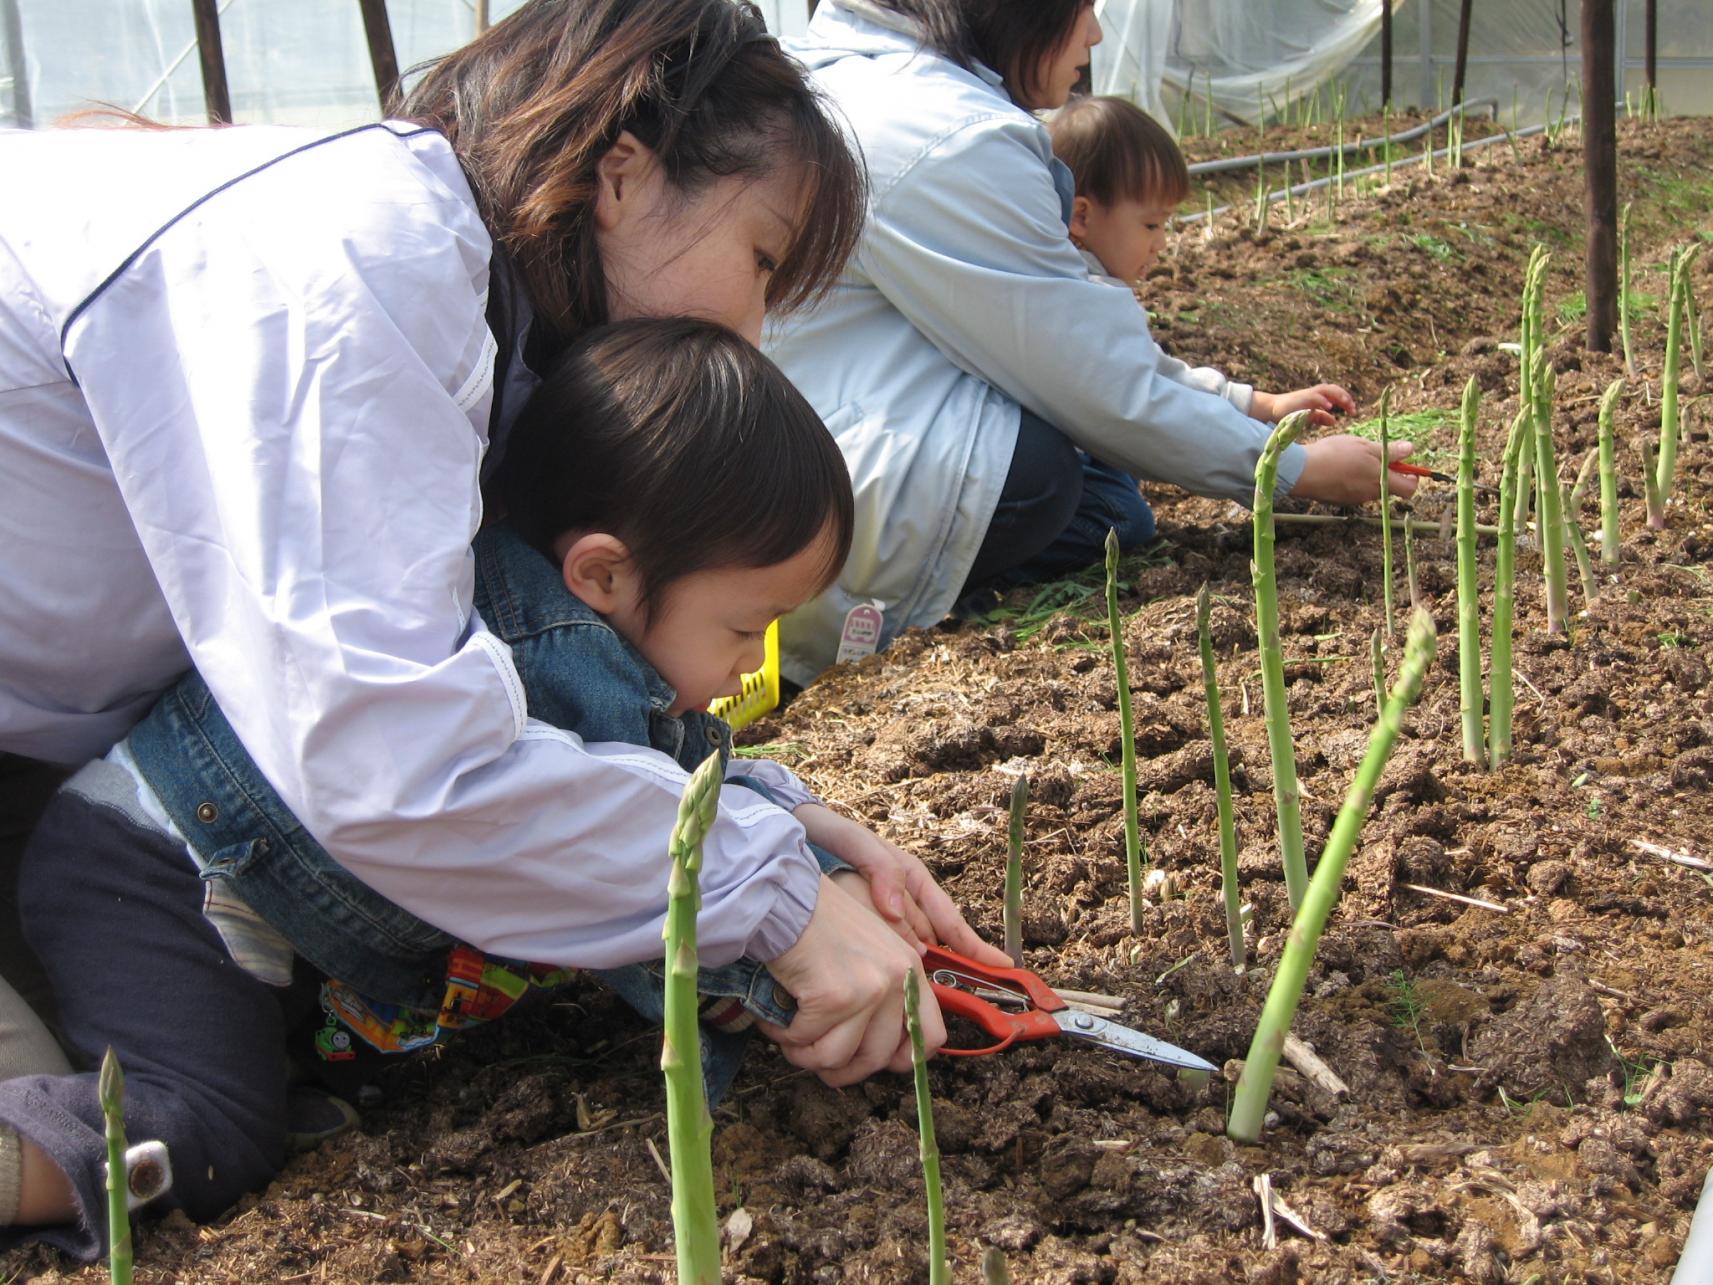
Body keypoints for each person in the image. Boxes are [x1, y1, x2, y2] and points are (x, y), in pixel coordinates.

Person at [0, 0, 984, 1221]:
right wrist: (768, 902)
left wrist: (775, 817)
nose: (753, 328)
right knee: (194, 1111)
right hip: (101, 812)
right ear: (624, 172)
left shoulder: (480, 332)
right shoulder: (370, 248)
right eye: (764, 262)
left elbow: (517, 711)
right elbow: (389, 756)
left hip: (75, 774)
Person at [763, 0, 1420, 683]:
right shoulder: (944, 134)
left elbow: (1084, 358)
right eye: (1080, 9)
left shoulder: (856, 79)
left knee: (1099, 481)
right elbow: (1098, 381)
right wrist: (1295, 472)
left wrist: (1247, 408)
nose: (1096, 33)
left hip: (806, 449)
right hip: (827, 506)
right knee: (1041, 472)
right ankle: (882, 616)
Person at [1048, 94, 1356, 426]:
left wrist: (1266, 404)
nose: (1161, 243)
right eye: (1151, 225)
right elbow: (1164, 387)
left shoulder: (1050, 278)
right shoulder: (1095, 303)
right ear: (1081, 215)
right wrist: (1268, 411)